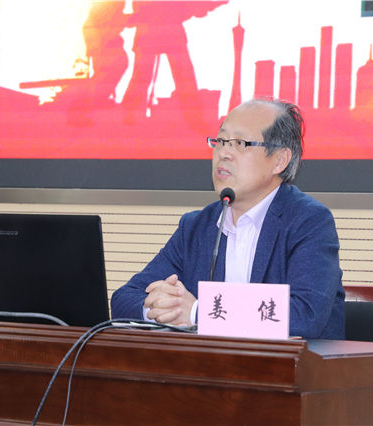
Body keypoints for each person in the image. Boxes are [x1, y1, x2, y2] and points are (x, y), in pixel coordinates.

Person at [110, 98, 345, 339]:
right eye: (221, 141)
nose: (223, 153)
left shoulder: (308, 221)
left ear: (279, 160)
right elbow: (123, 299)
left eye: (240, 143)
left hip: (296, 363)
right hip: (210, 363)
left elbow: (305, 315)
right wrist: (165, 310)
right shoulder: (196, 227)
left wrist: (199, 312)